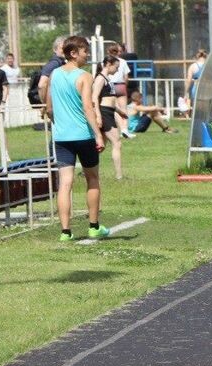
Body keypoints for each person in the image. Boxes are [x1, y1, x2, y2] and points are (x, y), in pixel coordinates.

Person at [45, 36, 108, 242]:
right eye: (84, 51)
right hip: (83, 135)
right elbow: (87, 107)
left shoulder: (54, 74)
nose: (87, 55)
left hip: (62, 137)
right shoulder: (84, 76)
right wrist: (98, 134)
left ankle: (65, 232)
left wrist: (58, 122)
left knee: (65, 183)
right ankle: (93, 226)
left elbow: (49, 107)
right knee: (92, 178)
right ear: (73, 53)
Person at [93, 56, 127, 179]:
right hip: (104, 113)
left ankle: (87, 168)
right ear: (108, 64)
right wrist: (97, 116)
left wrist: (120, 111)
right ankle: (119, 176)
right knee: (117, 142)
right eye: (116, 67)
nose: (117, 70)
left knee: (101, 146)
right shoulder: (100, 78)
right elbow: (94, 98)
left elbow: (110, 100)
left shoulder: (108, 79)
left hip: (109, 112)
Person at [107, 42, 133, 139]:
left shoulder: (106, 61)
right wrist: (124, 85)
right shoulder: (123, 61)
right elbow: (126, 77)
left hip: (110, 85)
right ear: (119, 51)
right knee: (123, 108)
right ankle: (125, 130)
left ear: (108, 51)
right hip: (120, 84)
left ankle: (121, 128)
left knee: (114, 109)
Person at [37, 36, 67, 105]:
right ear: (55, 49)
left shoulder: (62, 63)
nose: (65, 50)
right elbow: (42, 85)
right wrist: (46, 104)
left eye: (66, 48)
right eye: (62, 48)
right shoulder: (54, 64)